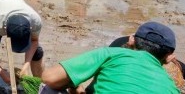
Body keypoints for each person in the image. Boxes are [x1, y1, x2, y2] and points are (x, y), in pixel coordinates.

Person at [41, 21, 179, 93]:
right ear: (168, 57)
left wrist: (74, 84)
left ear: (131, 40)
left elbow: (49, 77)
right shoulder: (171, 87)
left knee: (48, 88)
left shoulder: (112, 53)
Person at [0, 0, 44, 93]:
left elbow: (34, 41)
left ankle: (40, 88)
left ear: (30, 29)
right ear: (5, 29)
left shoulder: (35, 21)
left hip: (17, 1)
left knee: (37, 53)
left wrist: (26, 65)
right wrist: (0, 71)